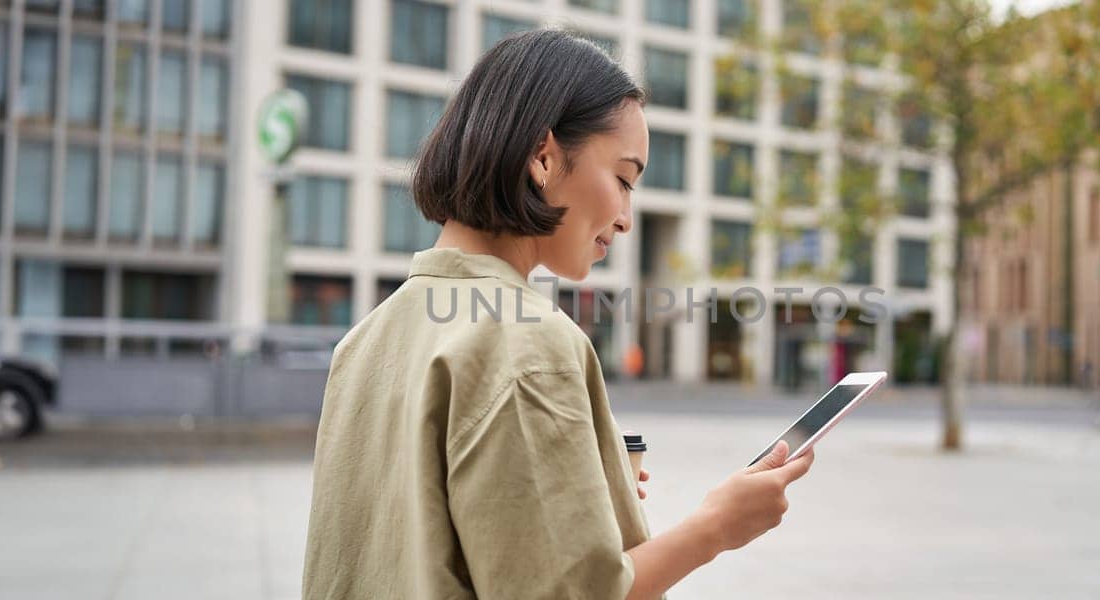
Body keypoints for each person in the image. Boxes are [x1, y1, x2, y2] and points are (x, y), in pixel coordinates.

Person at [301, 30, 815, 600]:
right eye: (622, 179)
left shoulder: (367, 338)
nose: (626, 218)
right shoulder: (527, 342)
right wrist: (715, 527)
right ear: (543, 157)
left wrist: (574, 468)